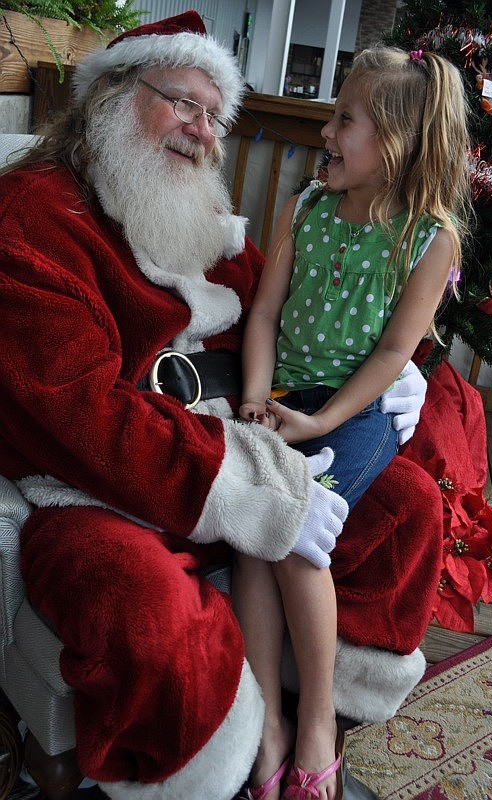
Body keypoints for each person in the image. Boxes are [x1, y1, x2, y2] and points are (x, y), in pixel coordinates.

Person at [0, 13, 439, 800]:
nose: (203, 131)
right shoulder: (30, 217)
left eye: (215, 115)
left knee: (408, 507)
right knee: (142, 611)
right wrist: (244, 490)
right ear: (111, 95)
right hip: (102, 487)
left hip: (246, 433)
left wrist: (400, 374)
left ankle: (317, 719)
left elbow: (296, 311)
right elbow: (76, 412)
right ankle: (228, 762)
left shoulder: (193, 212)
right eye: (184, 103)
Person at [236, 46, 471, 800]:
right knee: (251, 525)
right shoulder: (303, 207)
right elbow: (265, 311)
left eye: (344, 119)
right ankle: (267, 721)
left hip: (355, 410)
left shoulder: (428, 239)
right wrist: (255, 395)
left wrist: (319, 422)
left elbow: (394, 354)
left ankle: (314, 728)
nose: (325, 132)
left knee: (298, 529)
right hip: (285, 395)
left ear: (395, 144)